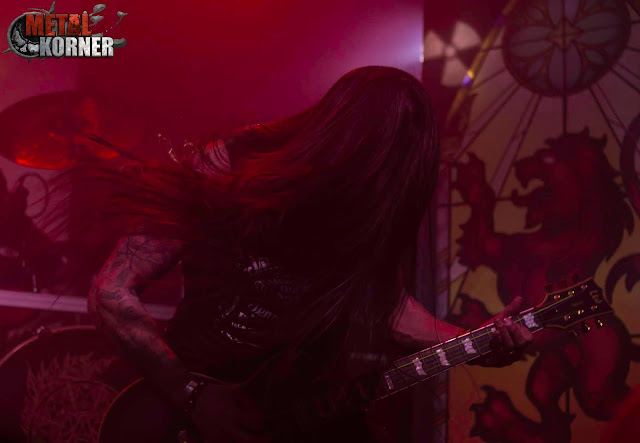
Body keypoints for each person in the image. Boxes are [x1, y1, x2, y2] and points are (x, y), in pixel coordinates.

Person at [88, 66, 533, 441]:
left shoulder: (366, 214)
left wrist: (474, 341)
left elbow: (390, 308)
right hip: (190, 418)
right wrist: (191, 395)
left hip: (300, 417)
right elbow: (111, 291)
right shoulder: (235, 165)